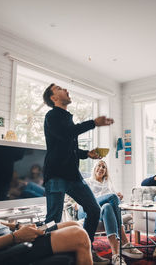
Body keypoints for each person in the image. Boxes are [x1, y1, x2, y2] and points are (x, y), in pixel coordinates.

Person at [42, 83, 114, 264]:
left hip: (73, 175)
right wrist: (93, 123)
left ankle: (86, 249)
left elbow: (68, 145)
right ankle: (46, 257)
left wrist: (86, 154)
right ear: (53, 97)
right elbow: (66, 134)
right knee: (52, 220)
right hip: (56, 175)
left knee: (93, 209)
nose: (66, 89)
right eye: (59, 88)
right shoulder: (52, 116)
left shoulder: (67, 118)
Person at [79, 160, 143, 265]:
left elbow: (114, 204)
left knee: (108, 206)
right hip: (87, 209)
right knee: (112, 197)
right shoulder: (87, 181)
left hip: (101, 212)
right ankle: (125, 241)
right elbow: (83, 199)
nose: (101, 168)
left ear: (106, 171)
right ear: (94, 168)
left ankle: (115, 255)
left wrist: (119, 198)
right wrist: (113, 197)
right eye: (99, 166)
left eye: (103, 167)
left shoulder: (108, 184)